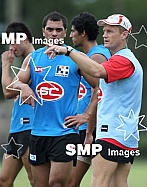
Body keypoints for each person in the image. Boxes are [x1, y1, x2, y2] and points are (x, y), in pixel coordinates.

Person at [44, 14, 143, 187]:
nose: (104, 35)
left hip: (112, 133)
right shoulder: (122, 58)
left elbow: (96, 71)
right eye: (104, 31)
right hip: (124, 134)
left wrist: (68, 51)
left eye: (111, 31)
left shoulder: (123, 60)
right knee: (119, 183)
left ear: (125, 35)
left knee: (99, 182)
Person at [12, 11, 98, 187]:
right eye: (50, 29)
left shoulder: (75, 58)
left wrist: (86, 116)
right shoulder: (34, 58)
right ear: (43, 31)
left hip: (65, 133)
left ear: (65, 32)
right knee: (39, 184)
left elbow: (98, 87)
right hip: (37, 133)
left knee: (57, 183)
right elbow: (13, 84)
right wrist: (24, 86)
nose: (54, 33)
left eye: (59, 30)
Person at [68, 12, 111, 187]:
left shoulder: (97, 56)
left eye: (73, 31)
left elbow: (100, 92)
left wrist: (87, 124)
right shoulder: (90, 55)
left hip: (93, 130)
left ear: (83, 33)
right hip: (87, 130)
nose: (70, 35)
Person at [0, 22, 35, 187]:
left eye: (14, 42)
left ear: (25, 39)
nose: (11, 47)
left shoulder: (33, 60)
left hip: (30, 128)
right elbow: (10, 89)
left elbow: (7, 92)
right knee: (4, 179)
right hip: (17, 129)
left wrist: (5, 65)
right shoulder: (23, 64)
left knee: (35, 179)